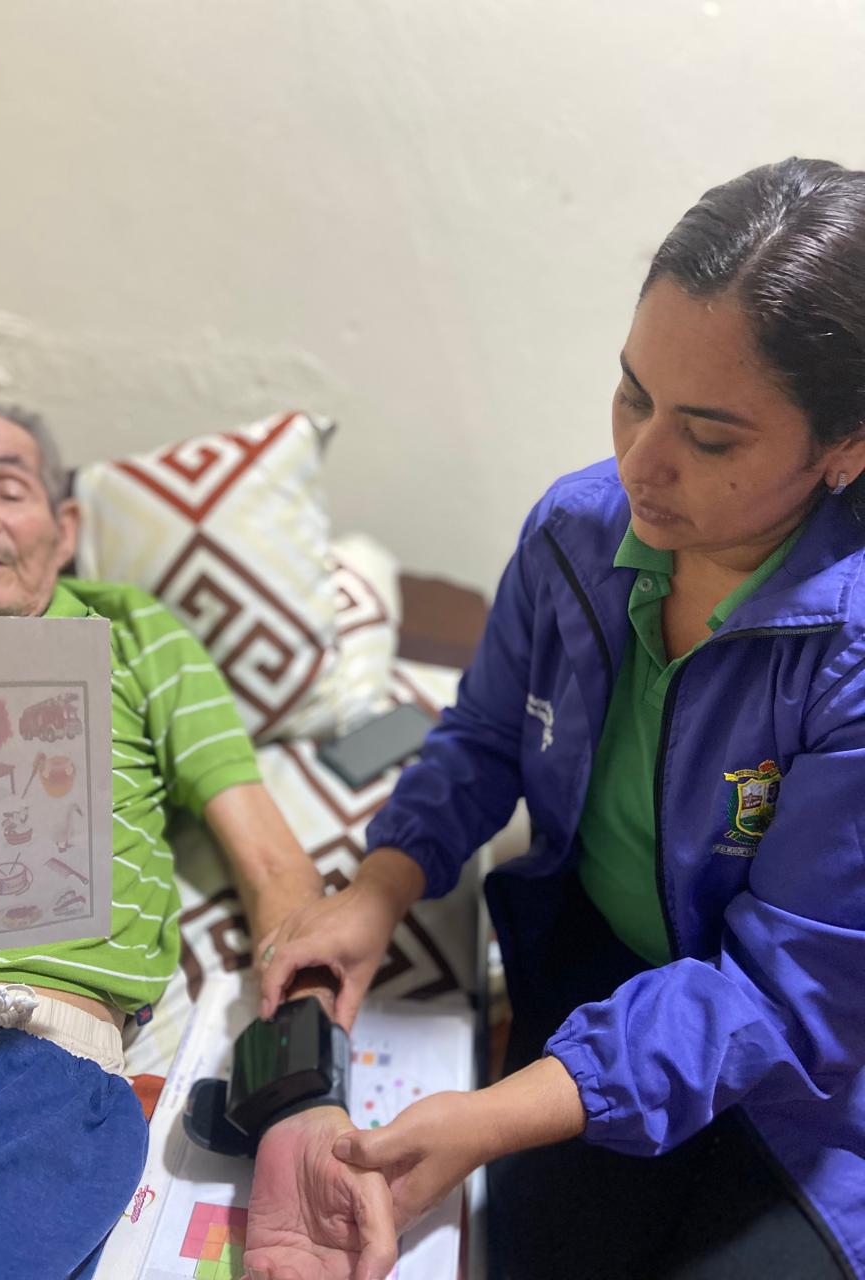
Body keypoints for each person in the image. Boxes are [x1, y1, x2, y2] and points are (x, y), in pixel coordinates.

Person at [252, 158, 865, 1279]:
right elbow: (486, 735)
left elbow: (787, 995)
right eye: (633, 393)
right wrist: (377, 890)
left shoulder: (851, 655)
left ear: (847, 447)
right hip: (594, 979)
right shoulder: (574, 535)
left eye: (710, 438)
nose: (640, 463)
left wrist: (492, 1116)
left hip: (801, 1077)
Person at [0, 401, 396, 1280]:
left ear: (63, 532)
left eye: (7, 490)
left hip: (19, 1061)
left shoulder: (132, 635)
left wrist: (302, 1095)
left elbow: (272, 865)